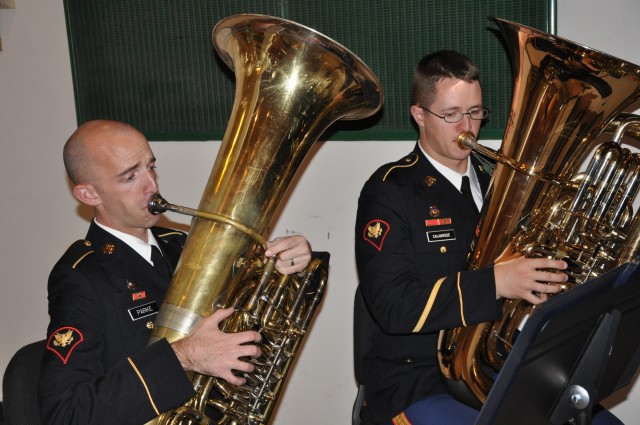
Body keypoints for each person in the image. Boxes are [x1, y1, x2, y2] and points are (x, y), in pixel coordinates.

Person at [354, 50, 623, 425]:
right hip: (416, 377)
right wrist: (497, 282)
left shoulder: (500, 177)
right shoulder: (390, 190)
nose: (467, 127)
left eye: (476, 112)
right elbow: (393, 307)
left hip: (495, 364)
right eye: (451, 114)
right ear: (419, 115)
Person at [38, 119, 314, 424]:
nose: (152, 186)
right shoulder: (82, 276)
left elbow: (252, 323)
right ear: (90, 195)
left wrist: (288, 270)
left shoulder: (181, 246)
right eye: (130, 177)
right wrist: (185, 355)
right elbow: (65, 414)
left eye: (150, 167)